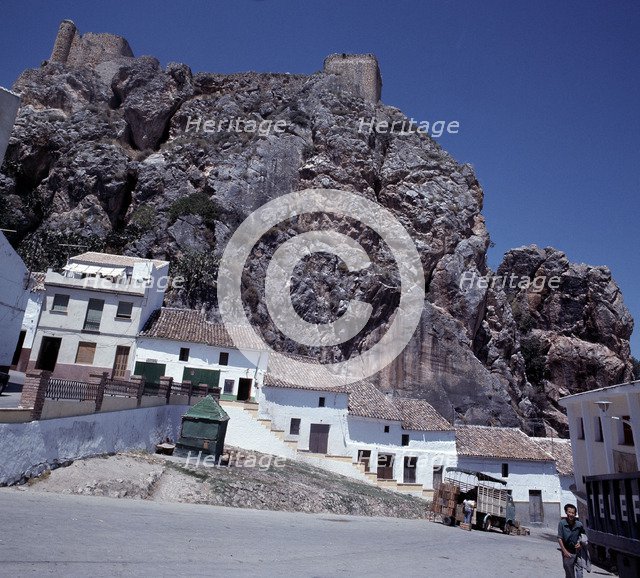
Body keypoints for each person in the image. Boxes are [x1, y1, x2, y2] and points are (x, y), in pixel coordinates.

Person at [558, 504, 585, 578]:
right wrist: (564, 551)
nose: (571, 514)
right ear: (566, 512)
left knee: (580, 571)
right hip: (567, 551)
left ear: (575, 514)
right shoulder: (562, 523)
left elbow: (583, 536)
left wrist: (580, 544)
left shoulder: (579, 525)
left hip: (578, 551)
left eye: (573, 513)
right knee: (569, 573)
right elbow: (560, 538)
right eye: (569, 512)